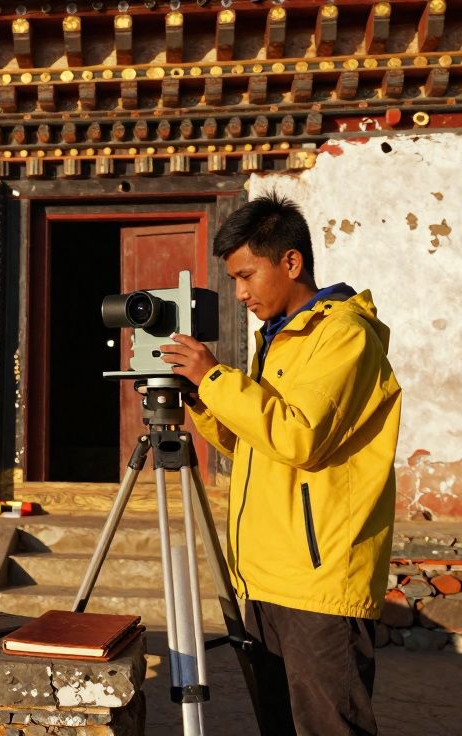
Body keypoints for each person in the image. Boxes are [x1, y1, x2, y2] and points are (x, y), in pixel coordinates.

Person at [158, 194, 401, 736]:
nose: (239, 293)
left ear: (291, 263)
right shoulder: (277, 341)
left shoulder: (344, 336)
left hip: (318, 580)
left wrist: (215, 378)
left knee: (328, 727)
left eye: (247, 276)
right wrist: (201, 398)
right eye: (234, 279)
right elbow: (255, 443)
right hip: (264, 575)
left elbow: (299, 438)